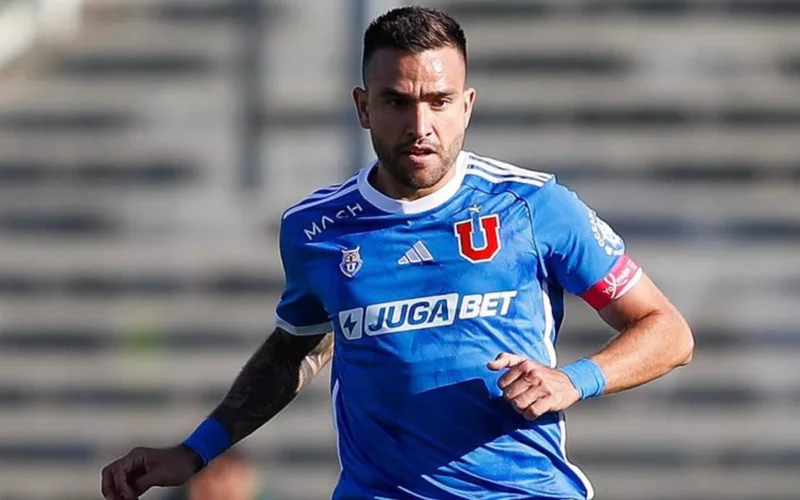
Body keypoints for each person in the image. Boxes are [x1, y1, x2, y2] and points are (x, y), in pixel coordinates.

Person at [100, 6, 694, 500]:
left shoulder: (534, 206)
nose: (420, 125)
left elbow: (668, 331)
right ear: (363, 107)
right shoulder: (316, 229)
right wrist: (195, 450)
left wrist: (575, 380)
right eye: (396, 102)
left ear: (467, 105)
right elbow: (296, 348)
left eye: (438, 101)